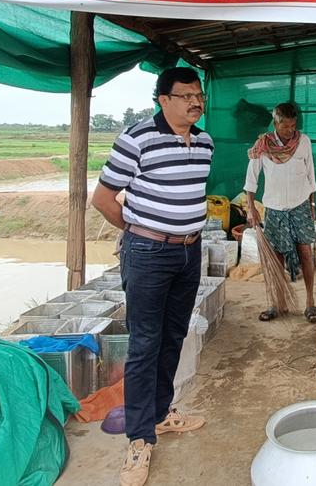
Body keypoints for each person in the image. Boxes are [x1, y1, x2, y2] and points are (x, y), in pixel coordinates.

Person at [91, 67, 213, 486]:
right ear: (163, 99)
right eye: (187, 96)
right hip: (148, 253)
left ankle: (161, 414)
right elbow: (103, 198)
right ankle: (139, 439)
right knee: (144, 344)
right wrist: (136, 232)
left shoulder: (205, 141)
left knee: (173, 336)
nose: (196, 102)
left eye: (199, 95)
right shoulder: (137, 138)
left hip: (189, 251)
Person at [243, 102, 316, 323]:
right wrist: (251, 209)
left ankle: (310, 303)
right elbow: (251, 179)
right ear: (276, 123)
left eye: (294, 125)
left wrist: (312, 205)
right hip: (274, 208)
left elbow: (310, 174)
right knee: (275, 258)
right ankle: (276, 303)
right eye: (286, 126)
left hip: (300, 205)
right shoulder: (263, 145)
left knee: (305, 252)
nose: (290, 131)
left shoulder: (303, 141)